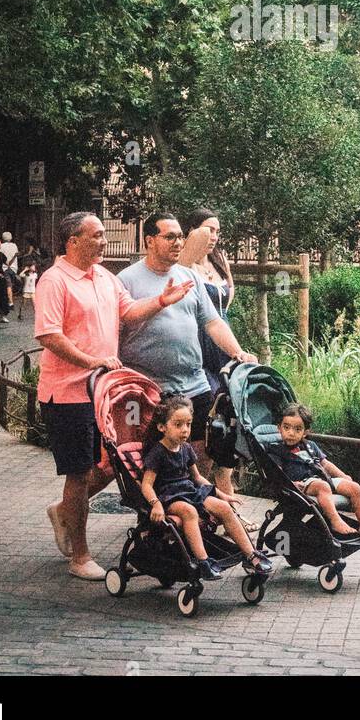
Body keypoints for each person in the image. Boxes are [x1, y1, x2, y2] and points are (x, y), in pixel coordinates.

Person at [34, 210, 195, 581]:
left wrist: (162, 301)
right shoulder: (54, 280)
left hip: (102, 392)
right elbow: (48, 336)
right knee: (78, 475)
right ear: (73, 241)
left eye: (104, 235)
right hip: (67, 393)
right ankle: (80, 556)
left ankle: (63, 514)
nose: (104, 241)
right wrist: (93, 361)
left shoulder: (104, 278)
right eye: (97, 235)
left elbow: (129, 311)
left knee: (99, 468)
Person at [118, 213, 257, 477]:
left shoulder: (188, 277)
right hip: (149, 388)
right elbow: (115, 331)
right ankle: (156, 513)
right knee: (148, 459)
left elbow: (213, 323)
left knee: (201, 450)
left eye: (180, 236)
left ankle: (197, 503)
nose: (178, 242)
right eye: (169, 236)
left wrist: (238, 352)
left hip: (194, 382)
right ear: (149, 240)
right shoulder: (127, 280)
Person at [140, 395, 272, 580]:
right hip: (169, 496)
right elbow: (146, 484)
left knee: (225, 508)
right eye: (178, 425)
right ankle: (203, 561)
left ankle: (251, 555)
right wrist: (155, 504)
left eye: (188, 424)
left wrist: (221, 495)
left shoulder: (185, 448)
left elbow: (197, 477)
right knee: (189, 512)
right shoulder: (158, 453)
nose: (185, 430)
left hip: (189, 491)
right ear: (162, 427)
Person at [180, 208, 242, 501]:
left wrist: (237, 349)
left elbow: (225, 308)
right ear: (192, 231)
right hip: (199, 341)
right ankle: (197, 491)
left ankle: (224, 490)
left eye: (218, 231)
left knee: (229, 417)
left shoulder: (219, 260)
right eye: (208, 230)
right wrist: (196, 240)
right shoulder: (185, 263)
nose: (214, 237)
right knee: (206, 421)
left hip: (223, 337)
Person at [267, 403, 360, 543]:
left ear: (305, 432)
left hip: (323, 478)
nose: (291, 433)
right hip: (302, 484)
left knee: (355, 487)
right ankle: (335, 521)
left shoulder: (310, 446)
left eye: (297, 429)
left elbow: (325, 464)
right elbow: (277, 472)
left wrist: (343, 476)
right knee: (322, 486)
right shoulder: (276, 450)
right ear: (279, 428)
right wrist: (290, 484)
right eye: (286, 427)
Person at [0, 230, 19, 307]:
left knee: (8, 285)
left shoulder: (1, 246)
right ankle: (9, 299)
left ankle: (10, 302)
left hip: (5, 268)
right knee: (11, 284)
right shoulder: (14, 245)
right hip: (14, 268)